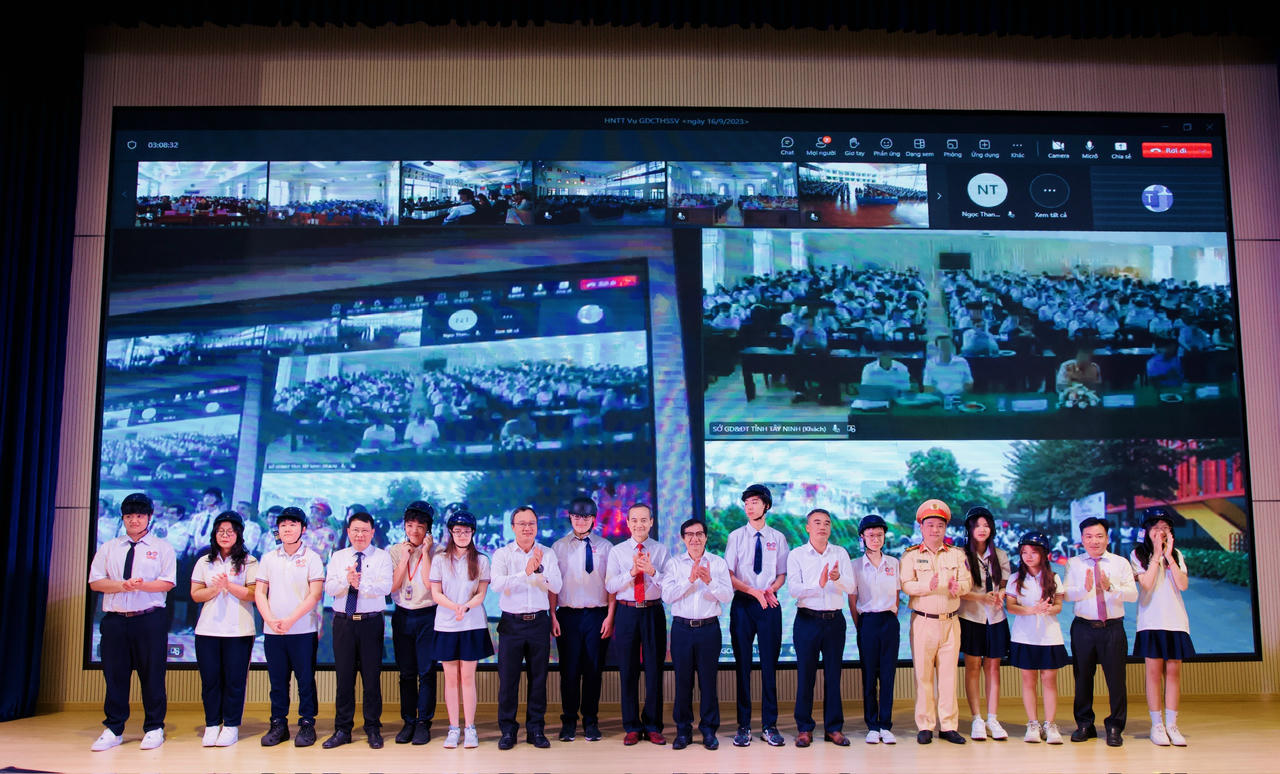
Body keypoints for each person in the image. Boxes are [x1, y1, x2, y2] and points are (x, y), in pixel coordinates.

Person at [87, 492, 177, 752]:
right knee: (115, 675)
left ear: (149, 517)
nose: (134, 520)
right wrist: (122, 586)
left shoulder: (162, 547)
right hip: (115, 621)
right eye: (129, 516)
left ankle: (154, 727)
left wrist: (140, 586)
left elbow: (167, 583)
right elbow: (96, 582)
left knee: (152, 675)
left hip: (149, 619)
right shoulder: (109, 547)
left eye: (139, 515)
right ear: (123, 518)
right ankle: (114, 728)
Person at [899, 499, 971, 744]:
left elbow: (967, 582)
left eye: (940, 525)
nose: (935, 530)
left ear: (945, 528)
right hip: (923, 622)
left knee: (949, 677)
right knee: (923, 676)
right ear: (921, 527)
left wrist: (959, 588)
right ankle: (925, 725)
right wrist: (926, 586)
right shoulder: (910, 555)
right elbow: (906, 585)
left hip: (951, 622)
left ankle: (949, 726)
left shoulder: (956, 554)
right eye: (930, 525)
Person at [492, 506, 564, 749]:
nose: (527, 528)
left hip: (538, 623)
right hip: (511, 624)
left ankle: (535, 729)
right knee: (508, 680)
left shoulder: (547, 553)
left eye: (531, 523)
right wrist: (525, 572)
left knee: (538, 679)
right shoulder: (502, 554)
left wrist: (540, 569)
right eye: (521, 524)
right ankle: (508, 731)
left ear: (537, 526)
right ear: (513, 527)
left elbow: (557, 586)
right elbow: (497, 585)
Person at [322, 511, 394, 749]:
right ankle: (343, 729)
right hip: (343, 623)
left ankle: (372, 728)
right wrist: (347, 581)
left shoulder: (382, 556)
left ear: (372, 532)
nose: (360, 535)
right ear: (348, 532)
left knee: (371, 678)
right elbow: (330, 588)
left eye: (364, 530)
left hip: (371, 623)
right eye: (355, 530)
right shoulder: (338, 556)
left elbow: (385, 588)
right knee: (344, 678)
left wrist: (360, 583)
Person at [1064, 515, 1138, 746]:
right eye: (1089, 536)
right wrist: (1083, 588)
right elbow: (1066, 595)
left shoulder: (1120, 563)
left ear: (1107, 538)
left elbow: (1133, 595)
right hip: (1083, 628)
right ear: (1082, 539)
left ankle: (1115, 726)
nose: (1094, 541)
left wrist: (1111, 587)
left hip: (1112, 628)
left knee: (1116, 680)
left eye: (1099, 536)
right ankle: (1084, 724)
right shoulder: (1074, 563)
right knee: (1082, 678)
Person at [725, 484, 789, 747]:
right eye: (746, 503)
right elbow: (729, 575)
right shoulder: (735, 536)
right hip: (743, 603)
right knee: (743, 667)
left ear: (766, 506)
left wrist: (770, 590)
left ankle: (769, 726)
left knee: (769, 667)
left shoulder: (778, 537)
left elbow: (782, 573)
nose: (749, 507)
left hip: (769, 604)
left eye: (754, 502)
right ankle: (743, 726)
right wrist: (753, 591)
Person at [661, 517, 733, 750]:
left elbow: (727, 596)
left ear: (706, 537)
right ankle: (683, 731)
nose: (695, 539)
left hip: (709, 629)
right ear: (683, 539)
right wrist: (690, 579)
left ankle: (709, 731)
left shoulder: (718, 563)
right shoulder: (674, 564)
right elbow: (667, 596)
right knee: (683, 682)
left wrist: (709, 580)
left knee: (708, 682)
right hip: (682, 629)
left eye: (699, 534)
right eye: (690, 535)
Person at [255, 506, 324, 747]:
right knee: (277, 681)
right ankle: (278, 724)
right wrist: (270, 620)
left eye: (293, 524)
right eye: (283, 525)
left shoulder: (312, 558)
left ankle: (307, 724)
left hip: (303, 630)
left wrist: (291, 620)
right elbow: (260, 592)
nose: (287, 528)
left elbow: (315, 594)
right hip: (273, 631)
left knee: (305, 681)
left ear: (303, 529)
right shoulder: (268, 558)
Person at [786, 508, 856, 747]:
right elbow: (794, 590)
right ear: (808, 528)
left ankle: (833, 728)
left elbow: (851, 587)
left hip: (835, 621)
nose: (822, 526)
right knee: (806, 675)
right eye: (817, 522)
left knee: (834, 676)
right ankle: (804, 728)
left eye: (826, 523)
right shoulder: (797, 555)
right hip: (807, 620)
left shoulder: (840, 553)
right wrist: (820, 584)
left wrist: (837, 578)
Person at [190, 510, 258, 747]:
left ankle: (230, 726)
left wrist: (229, 585)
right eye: (220, 531)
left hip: (239, 631)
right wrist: (215, 589)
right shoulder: (204, 561)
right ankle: (211, 724)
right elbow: (195, 594)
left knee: (235, 680)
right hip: (207, 630)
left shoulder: (250, 561)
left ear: (239, 534)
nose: (225, 535)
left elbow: (254, 594)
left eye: (230, 531)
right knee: (210, 680)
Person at [550, 496, 615, 743]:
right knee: (569, 671)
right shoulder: (558, 547)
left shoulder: (606, 547)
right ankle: (568, 722)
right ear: (570, 517)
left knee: (593, 670)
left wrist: (610, 616)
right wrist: (552, 614)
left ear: (593, 519)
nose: (581, 520)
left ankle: (591, 721)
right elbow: (553, 585)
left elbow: (611, 585)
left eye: (586, 516)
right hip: (567, 615)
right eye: (577, 516)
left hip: (597, 615)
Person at [605, 502, 670, 745]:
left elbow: (669, 587)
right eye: (634, 520)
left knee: (654, 670)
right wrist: (632, 572)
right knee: (628, 670)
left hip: (653, 612)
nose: (639, 524)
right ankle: (632, 726)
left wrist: (652, 571)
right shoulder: (617, 551)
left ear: (651, 522)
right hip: (627, 613)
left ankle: (653, 725)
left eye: (644, 520)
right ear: (628, 523)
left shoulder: (661, 550)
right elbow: (610, 585)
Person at [429, 510, 494, 750]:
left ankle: (470, 728)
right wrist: (454, 607)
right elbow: (436, 594)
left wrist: (464, 607)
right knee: (450, 679)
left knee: (467, 678)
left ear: (473, 532)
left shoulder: (482, 560)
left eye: (466, 531)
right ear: (451, 532)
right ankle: (453, 728)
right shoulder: (439, 559)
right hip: (446, 624)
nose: (462, 535)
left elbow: (481, 594)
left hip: (471, 624)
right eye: (457, 531)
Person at [1131, 506, 1194, 747]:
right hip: (1151, 620)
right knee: (1154, 673)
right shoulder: (1138, 554)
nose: (1161, 532)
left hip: (1176, 621)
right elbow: (1146, 584)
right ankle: (1156, 725)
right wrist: (1156, 555)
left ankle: (1172, 725)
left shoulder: (1176, 554)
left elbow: (1183, 585)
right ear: (1146, 531)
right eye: (1156, 528)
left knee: (1174, 673)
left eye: (1165, 528)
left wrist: (1169, 556)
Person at [1005, 531, 1070, 744]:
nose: (1028, 556)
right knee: (1028, 680)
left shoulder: (1054, 577)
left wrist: (1048, 609)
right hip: (1024, 636)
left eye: (1033, 552)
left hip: (1049, 636)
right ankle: (1032, 724)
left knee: (1049, 680)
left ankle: (1050, 724)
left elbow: (1059, 606)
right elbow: (1011, 607)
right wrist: (1032, 610)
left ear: (1044, 553)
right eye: (1024, 552)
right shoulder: (1015, 578)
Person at [957, 506, 1011, 741]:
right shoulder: (960, 555)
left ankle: (992, 718)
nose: (982, 529)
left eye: (986, 525)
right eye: (977, 525)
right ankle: (977, 718)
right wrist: (981, 597)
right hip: (971, 617)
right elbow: (957, 589)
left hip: (996, 618)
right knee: (973, 668)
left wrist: (1001, 594)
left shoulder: (1000, 555)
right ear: (969, 529)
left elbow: (1006, 584)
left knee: (993, 668)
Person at [388, 501, 439, 745]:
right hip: (402, 616)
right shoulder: (395, 550)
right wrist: (405, 558)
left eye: (420, 526)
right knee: (406, 672)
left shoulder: (438, 551)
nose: (415, 531)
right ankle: (408, 721)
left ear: (428, 528)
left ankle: (423, 722)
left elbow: (430, 584)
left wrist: (425, 553)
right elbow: (392, 586)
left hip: (428, 616)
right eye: (410, 525)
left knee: (426, 671)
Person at [849, 514, 900, 745]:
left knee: (888, 675)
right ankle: (872, 725)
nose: (876, 539)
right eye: (871, 535)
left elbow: (896, 594)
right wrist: (860, 626)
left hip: (889, 621)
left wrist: (891, 616)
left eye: (879, 535)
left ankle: (885, 725)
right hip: (867, 622)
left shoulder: (893, 563)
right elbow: (853, 599)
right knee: (869, 676)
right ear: (862, 537)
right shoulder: (855, 565)